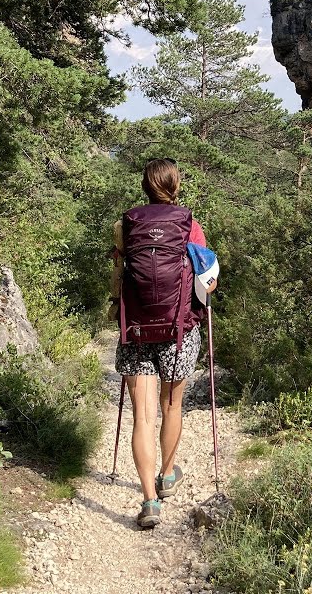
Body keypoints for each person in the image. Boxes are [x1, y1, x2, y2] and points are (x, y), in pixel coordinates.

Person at [109, 158, 214, 528]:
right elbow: (207, 280)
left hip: (136, 332)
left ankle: (150, 502)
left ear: (144, 186)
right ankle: (167, 475)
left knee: (142, 417)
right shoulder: (189, 225)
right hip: (177, 332)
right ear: (176, 185)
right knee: (172, 408)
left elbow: (117, 275)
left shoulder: (126, 225)